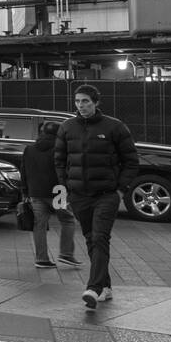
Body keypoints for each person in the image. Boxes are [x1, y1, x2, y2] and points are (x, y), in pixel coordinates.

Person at [54, 84, 140, 310]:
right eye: (78, 101)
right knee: (92, 239)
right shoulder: (67, 127)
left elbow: (131, 161)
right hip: (79, 195)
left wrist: (121, 189)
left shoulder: (115, 127)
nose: (81, 106)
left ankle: (93, 288)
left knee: (100, 237)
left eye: (86, 101)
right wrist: (65, 188)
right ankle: (106, 286)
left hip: (107, 194)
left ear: (96, 102)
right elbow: (60, 161)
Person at [21, 121, 80, 270]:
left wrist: (25, 192)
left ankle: (41, 259)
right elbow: (67, 171)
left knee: (39, 224)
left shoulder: (29, 149)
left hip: (35, 193)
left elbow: (24, 172)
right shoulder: (60, 150)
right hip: (57, 192)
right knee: (67, 220)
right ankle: (66, 254)